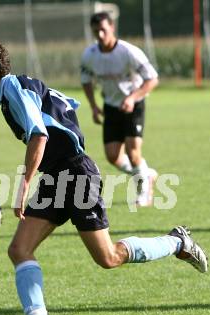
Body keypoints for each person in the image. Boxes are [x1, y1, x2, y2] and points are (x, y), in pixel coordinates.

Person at [0, 41, 208, 315]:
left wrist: (24, 182)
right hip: (57, 176)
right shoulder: (13, 91)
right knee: (18, 249)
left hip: (76, 173)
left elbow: (39, 134)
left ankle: (176, 242)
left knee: (108, 257)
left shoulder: (13, 87)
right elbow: (65, 105)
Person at [80, 12, 158, 206]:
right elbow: (86, 81)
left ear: (112, 28)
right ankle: (145, 174)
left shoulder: (128, 52)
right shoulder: (90, 55)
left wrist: (133, 97)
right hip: (111, 107)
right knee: (113, 156)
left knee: (133, 154)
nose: (100, 35)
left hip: (134, 105)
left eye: (103, 30)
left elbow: (152, 78)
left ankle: (144, 190)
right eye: (96, 31)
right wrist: (94, 107)